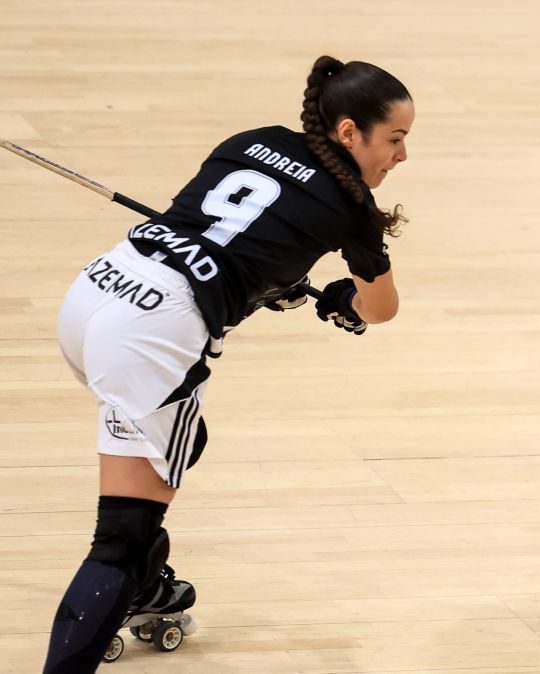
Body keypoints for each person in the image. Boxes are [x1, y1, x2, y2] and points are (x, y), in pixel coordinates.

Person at [42, 54, 414, 671]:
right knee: (118, 540)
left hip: (94, 296)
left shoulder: (254, 140)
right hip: (150, 336)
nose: (401, 157)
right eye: (395, 139)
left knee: (180, 443)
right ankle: (127, 576)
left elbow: (224, 236)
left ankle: (142, 586)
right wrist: (340, 299)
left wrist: (270, 281)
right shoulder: (351, 208)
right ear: (350, 132)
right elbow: (380, 308)